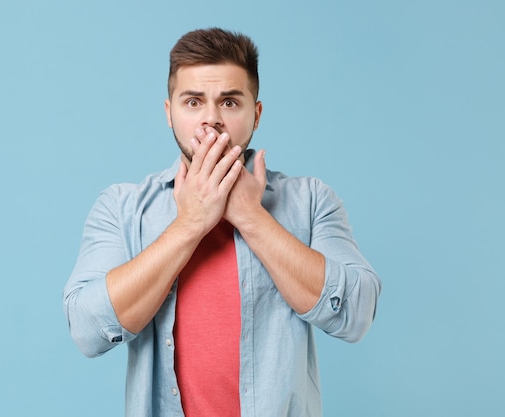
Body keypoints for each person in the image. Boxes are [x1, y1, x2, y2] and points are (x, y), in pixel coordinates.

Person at [63, 27, 381, 417]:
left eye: (229, 103)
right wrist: (190, 223)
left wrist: (251, 217)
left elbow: (356, 313)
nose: (211, 120)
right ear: (169, 113)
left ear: (256, 114)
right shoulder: (122, 208)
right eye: (193, 102)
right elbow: (87, 329)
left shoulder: (311, 201)